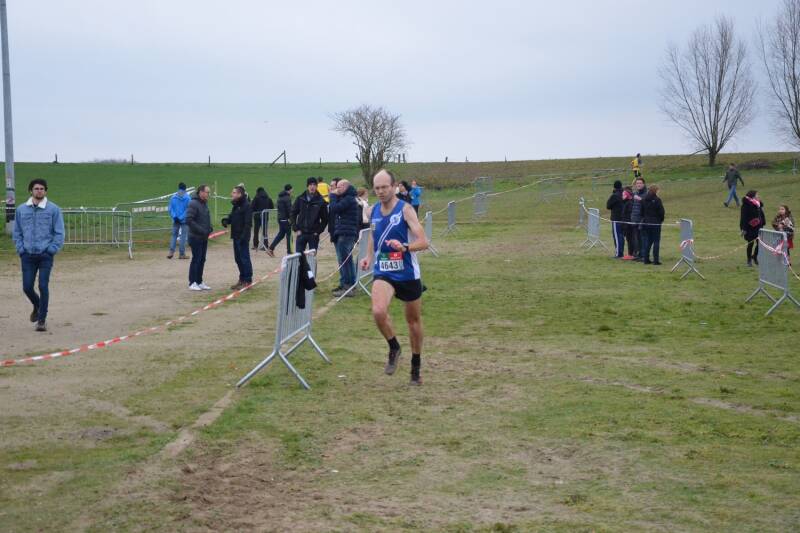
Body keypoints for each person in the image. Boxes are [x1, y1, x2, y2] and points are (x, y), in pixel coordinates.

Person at [359, 169, 429, 386]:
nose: (380, 191)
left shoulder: (406, 210)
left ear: (394, 186)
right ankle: (394, 347)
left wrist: (406, 246)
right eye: (377, 188)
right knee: (378, 311)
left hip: (407, 272)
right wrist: (369, 257)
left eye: (384, 187)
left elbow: (424, 242)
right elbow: (373, 234)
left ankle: (416, 365)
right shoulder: (372, 212)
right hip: (384, 270)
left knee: (413, 322)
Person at [12, 178, 64, 332]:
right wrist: (21, 250)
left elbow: (59, 233)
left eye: (42, 188)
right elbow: (17, 232)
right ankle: (38, 305)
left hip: (45, 255)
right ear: (31, 191)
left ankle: (41, 320)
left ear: (45, 191)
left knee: (43, 285)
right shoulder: (21, 209)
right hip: (27, 255)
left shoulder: (53, 209)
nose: (39, 191)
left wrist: (51, 250)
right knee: (27, 287)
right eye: (36, 188)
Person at [330, 179, 360, 297]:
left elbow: (334, 208)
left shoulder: (348, 198)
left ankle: (348, 286)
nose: (337, 189)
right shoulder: (347, 198)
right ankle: (347, 284)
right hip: (343, 232)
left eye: (339, 187)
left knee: (345, 260)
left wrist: (332, 196)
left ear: (345, 187)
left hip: (346, 233)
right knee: (346, 260)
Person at [222, 186, 253, 290]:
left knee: (244, 258)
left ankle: (248, 280)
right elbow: (232, 216)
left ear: (240, 194)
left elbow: (248, 223)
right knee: (238, 259)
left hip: (242, 237)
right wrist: (226, 220)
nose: (232, 194)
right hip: (235, 236)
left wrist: (244, 236)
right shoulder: (236, 205)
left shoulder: (247, 206)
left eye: (234, 192)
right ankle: (242, 278)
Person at [185, 184, 213, 290]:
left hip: (203, 237)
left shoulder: (204, 204)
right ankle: (192, 282)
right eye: (207, 192)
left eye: (209, 192)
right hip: (195, 237)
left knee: (202, 259)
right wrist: (201, 230)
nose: (208, 194)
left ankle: (199, 281)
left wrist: (210, 228)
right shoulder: (193, 203)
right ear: (201, 192)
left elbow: (205, 218)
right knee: (196, 259)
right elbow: (189, 220)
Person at [291, 177, 328, 254]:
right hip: (301, 233)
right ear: (307, 186)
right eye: (310, 184)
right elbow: (293, 213)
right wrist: (295, 228)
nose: (312, 187)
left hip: (313, 235)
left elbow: (325, 219)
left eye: (314, 184)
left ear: (316, 186)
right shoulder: (300, 199)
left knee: (312, 259)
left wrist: (317, 232)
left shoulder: (321, 201)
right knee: (299, 258)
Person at [640, 185, 665, 265]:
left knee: (649, 241)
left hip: (647, 223)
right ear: (655, 191)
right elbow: (661, 212)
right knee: (656, 241)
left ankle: (646, 259)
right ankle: (656, 260)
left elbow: (641, 212)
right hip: (656, 223)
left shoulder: (644, 200)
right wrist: (660, 220)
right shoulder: (657, 200)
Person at [266, 184, 293, 257]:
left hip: (280, 218)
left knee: (281, 234)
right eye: (291, 189)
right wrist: (291, 218)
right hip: (285, 219)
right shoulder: (287, 198)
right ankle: (289, 252)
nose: (292, 191)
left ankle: (271, 248)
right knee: (289, 235)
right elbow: (289, 209)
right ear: (290, 190)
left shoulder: (280, 197)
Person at [741, 190, 765, 267]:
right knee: (750, 244)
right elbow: (743, 217)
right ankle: (749, 260)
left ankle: (754, 256)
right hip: (750, 228)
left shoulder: (758, 204)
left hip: (759, 227)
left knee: (759, 244)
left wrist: (763, 221)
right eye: (757, 194)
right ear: (752, 195)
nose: (758, 196)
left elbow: (761, 214)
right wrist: (743, 229)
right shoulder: (746, 205)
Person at [167, 182, 190, 259]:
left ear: (178, 188)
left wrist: (175, 217)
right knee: (183, 236)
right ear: (185, 188)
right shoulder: (188, 198)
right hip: (184, 220)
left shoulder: (173, 197)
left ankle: (171, 252)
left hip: (175, 220)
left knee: (174, 235)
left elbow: (170, 209)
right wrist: (181, 218)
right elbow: (188, 210)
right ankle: (182, 254)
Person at [606, 180, 625, 258]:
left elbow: (608, 205)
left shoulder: (615, 195)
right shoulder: (624, 194)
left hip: (616, 218)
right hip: (624, 218)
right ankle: (621, 251)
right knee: (621, 236)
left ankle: (619, 253)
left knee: (617, 236)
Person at [630, 177, 647, 261]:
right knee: (636, 238)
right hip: (634, 219)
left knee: (642, 237)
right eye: (637, 183)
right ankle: (638, 254)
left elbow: (647, 205)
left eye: (640, 183)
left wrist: (641, 200)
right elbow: (633, 207)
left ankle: (643, 255)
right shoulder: (635, 193)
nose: (638, 185)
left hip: (642, 219)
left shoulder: (646, 194)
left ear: (643, 184)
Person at [621, 186, 636, 259]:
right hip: (626, 224)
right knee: (629, 239)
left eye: (624, 194)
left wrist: (626, 224)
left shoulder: (629, 203)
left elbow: (629, 215)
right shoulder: (626, 202)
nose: (622, 196)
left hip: (629, 224)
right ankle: (631, 253)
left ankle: (631, 254)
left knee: (631, 239)